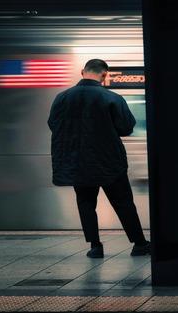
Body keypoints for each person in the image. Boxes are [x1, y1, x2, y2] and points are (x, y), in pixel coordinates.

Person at [47, 59, 150, 259]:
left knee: (86, 203)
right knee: (123, 202)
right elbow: (126, 127)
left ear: (82, 72)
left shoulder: (61, 98)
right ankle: (139, 244)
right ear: (104, 75)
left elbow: (53, 124)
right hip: (109, 162)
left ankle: (95, 246)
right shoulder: (111, 98)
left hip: (77, 162)